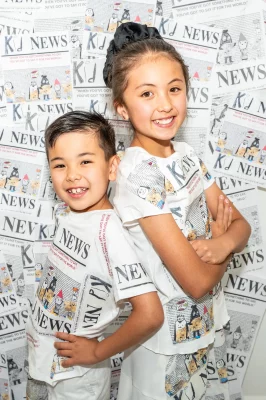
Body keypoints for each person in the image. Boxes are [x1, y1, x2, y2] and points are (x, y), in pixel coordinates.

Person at [103, 23, 251, 400]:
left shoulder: (187, 155)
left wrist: (223, 244)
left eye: (174, 88)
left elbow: (242, 225)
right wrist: (222, 239)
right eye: (147, 93)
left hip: (203, 327)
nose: (166, 104)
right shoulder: (137, 174)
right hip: (164, 345)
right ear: (121, 107)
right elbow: (197, 282)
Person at [25, 111, 164, 400]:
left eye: (85, 161)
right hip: (46, 365)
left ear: (112, 167)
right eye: (60, 165)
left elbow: (150, 314)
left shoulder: (110, 234)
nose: (72, 175)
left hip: (78, 380)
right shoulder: (70, 214)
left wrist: (98, 351)